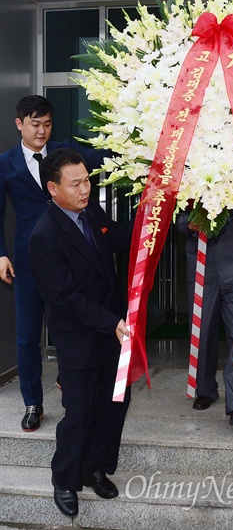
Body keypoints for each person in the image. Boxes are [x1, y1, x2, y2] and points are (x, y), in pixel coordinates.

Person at [29, 148, 133, 518]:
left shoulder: (91, 213)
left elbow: (122, 240)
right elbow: (66, 298)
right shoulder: (45, 235)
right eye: (76, 184)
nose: (85, 189)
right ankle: (65, 479)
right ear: (53, 189)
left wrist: (155, 217)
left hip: (113, 332)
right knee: (80, 412)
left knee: (115, 404)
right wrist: (111, 323)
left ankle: (96, 468)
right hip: (81, 339)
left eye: (87, 180)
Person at [0, 95, 110, 432]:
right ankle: (33, 402)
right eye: (35, 124)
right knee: (28, 335)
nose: (42, 131)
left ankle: (70, 382)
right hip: (27, 262)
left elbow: (104, 158)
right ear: (20, 124)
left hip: (68, 259)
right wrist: (1, 253)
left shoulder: (64, 151)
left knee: (72, 325)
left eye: (47, 124)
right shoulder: (6, 163)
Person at [176, 212, 233, 425]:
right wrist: (187, 225)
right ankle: (205, 389)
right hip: (200, 259)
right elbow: (175, 210)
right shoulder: (189, 177)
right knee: (201, 329)